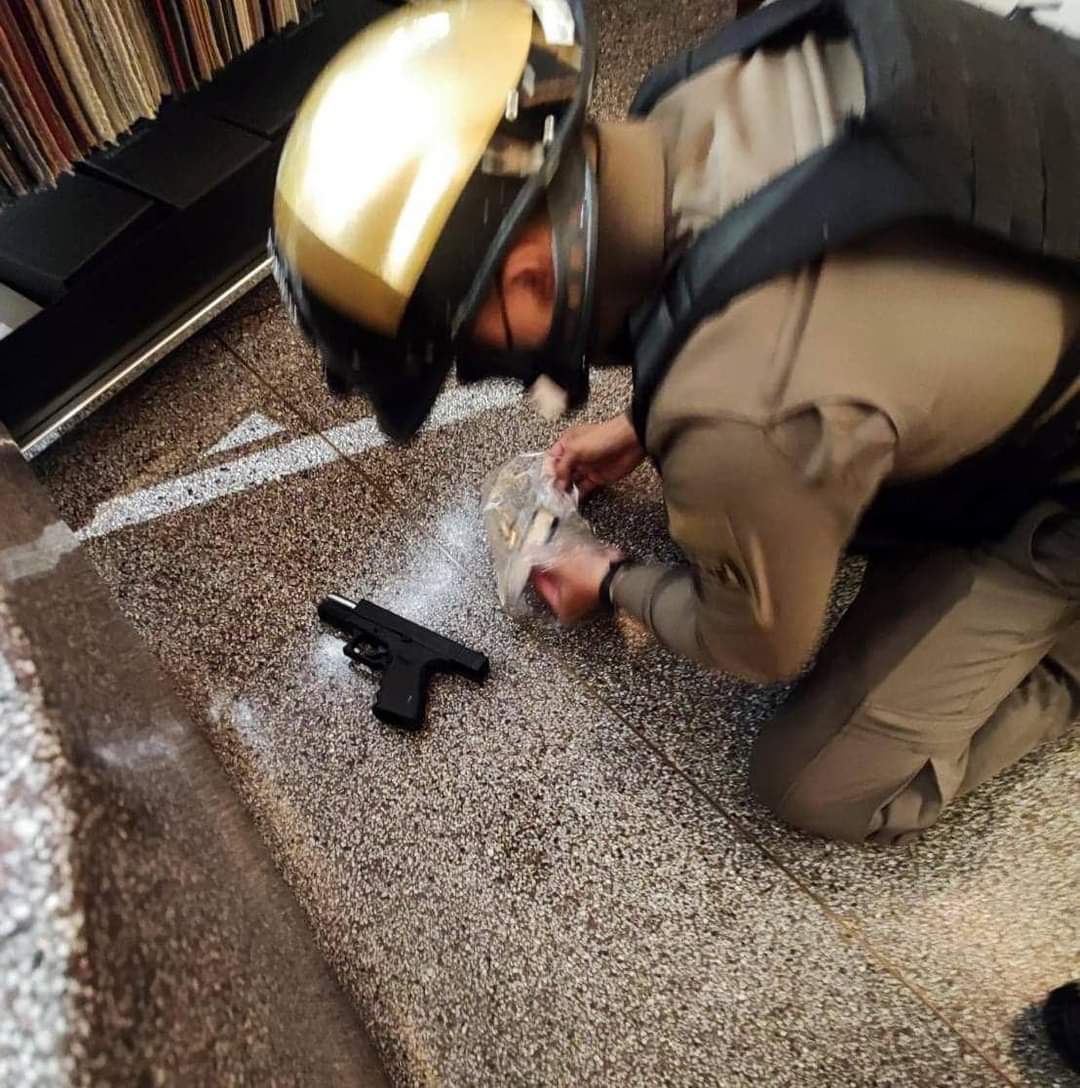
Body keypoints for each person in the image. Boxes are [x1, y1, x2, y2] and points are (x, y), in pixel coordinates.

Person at [270, 0, 1080, 845]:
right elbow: (781, 281)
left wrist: (609, 577)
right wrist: (647, 426)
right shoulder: (694, 92)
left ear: (530, 280)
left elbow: (761, 644)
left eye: (462, 350)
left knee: (812, 784)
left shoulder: (736, 414)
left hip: (1060, 485)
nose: (478, 372)